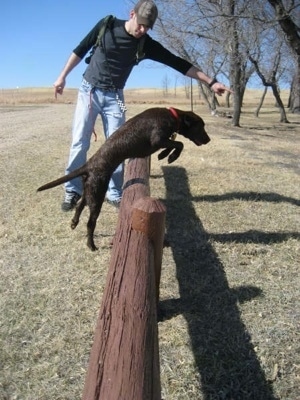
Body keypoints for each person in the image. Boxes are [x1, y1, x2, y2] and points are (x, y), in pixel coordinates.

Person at [54, 0, 231, 211]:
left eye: (147, 27)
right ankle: (73, 190)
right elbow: (81, 49)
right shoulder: (107, 25)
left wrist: (211, 82)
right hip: (89, 91)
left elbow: (178, 63)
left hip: (115, 96)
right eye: (140, 24)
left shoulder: (145, 43)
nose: (142, 30)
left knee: (119, 144)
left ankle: (114, 192)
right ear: (132, 14)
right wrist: (62, 77)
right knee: (80, 141)